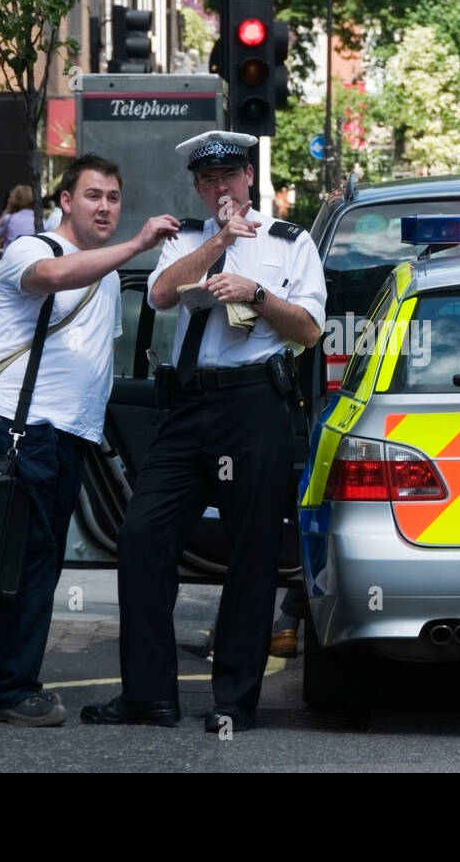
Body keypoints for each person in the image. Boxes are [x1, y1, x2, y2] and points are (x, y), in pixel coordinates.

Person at [82, 131, 325, 732]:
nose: (222, 189)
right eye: (209, 181)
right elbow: (162, 295)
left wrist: (256, 293)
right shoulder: (187, 238)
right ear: (197, 186)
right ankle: (149, 696)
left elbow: (310, 331)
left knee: (251, 553)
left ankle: (234, 701)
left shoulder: (288, 243)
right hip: (189, 406)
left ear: (249, 177)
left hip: (252, 405)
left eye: (231, 178)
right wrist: (219, 241)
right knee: (141, 538)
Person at [0, 154, 179, 727]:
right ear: (65, 200)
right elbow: (55, 280)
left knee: (34, 559)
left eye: (112, 196)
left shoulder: (104, 272)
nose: (104, 206)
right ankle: (9, 688)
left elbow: (93, 357)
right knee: (28, 561)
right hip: (20, 429)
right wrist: (137, 245)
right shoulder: (32, 250)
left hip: (64, 436)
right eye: (92, 195)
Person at [0, 184, 36, 279]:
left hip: (10, 265)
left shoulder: (9, 219)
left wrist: (6, 211)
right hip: (32, 264)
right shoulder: (39, 220)